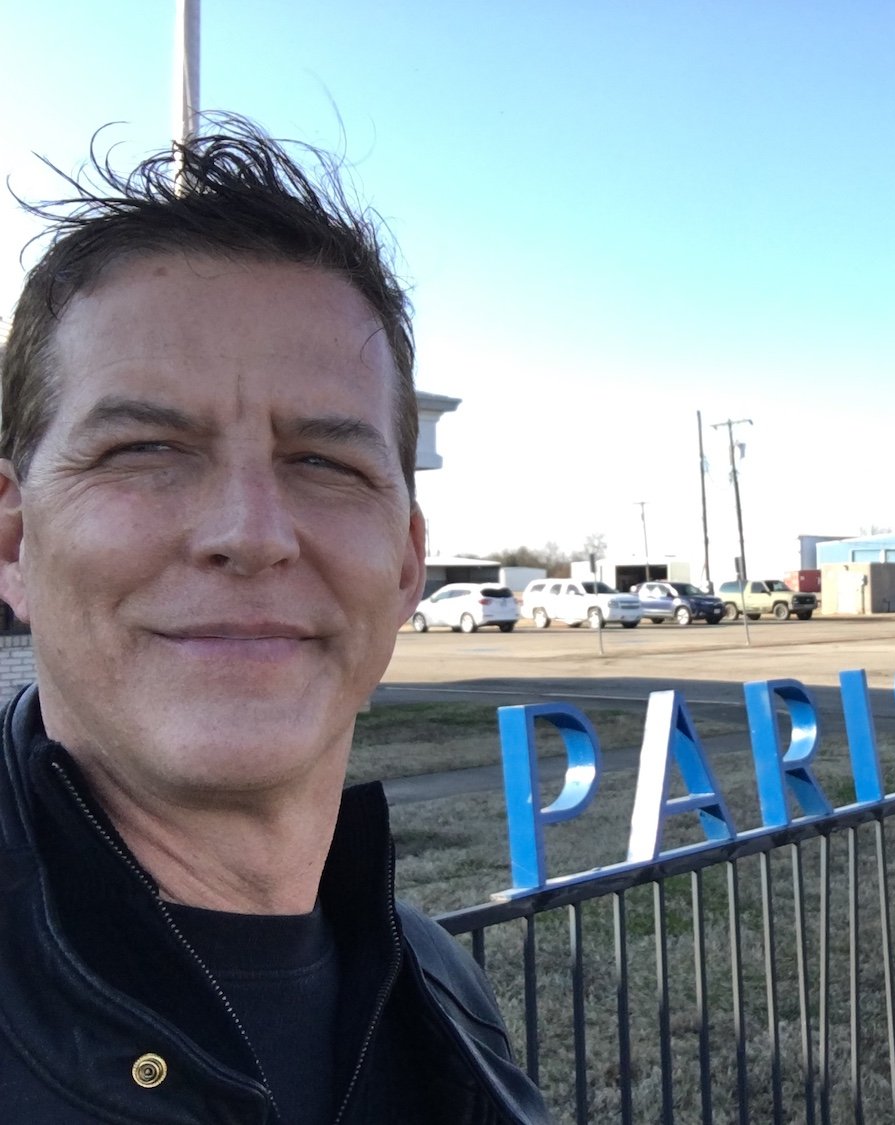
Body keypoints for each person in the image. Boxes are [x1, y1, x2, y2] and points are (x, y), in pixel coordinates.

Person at [0, 119, 551, 1123]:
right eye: (145, 449)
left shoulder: (440, 990)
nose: (251, 534)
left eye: (323, 463)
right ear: (12, 540)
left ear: (406, 565)